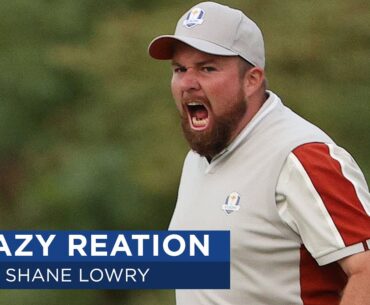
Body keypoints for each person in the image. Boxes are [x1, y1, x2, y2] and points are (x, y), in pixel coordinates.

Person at [148, 2, 370, 305]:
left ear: (251, 80)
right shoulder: (199, 157)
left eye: (207, 68)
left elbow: (366, 272)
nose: (187, 82)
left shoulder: (302, 156)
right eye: (180, 69)